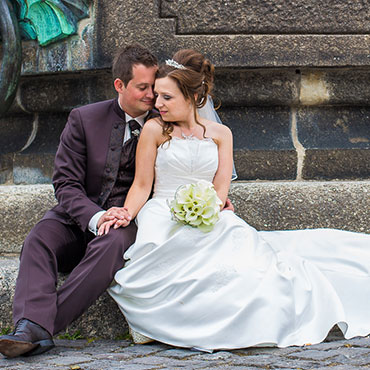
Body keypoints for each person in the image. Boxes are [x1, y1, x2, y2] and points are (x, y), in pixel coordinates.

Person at [104, 49, 370, 352]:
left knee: (252, 270)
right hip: (161, 214)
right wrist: (126, 212)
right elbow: (141, 184)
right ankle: (159, 323)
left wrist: (209, 208)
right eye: (157, 95)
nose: (158, 103)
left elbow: (220, 190)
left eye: (167, 97)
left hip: (208, 215)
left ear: (191, 98)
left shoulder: (221, 134)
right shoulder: (154, 130)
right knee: (155, 265)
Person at [0, 44, 160, 358]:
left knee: (111, 244)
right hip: (77, 218)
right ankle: (33, 327)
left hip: (129, 222)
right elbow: (65, 183)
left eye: (154, 87)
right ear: (120, 85)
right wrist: (97, 216)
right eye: (143, 88)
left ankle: (34, 327)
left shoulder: (165, 123)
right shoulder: (83, 119)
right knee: (39, 238)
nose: (151, 95)